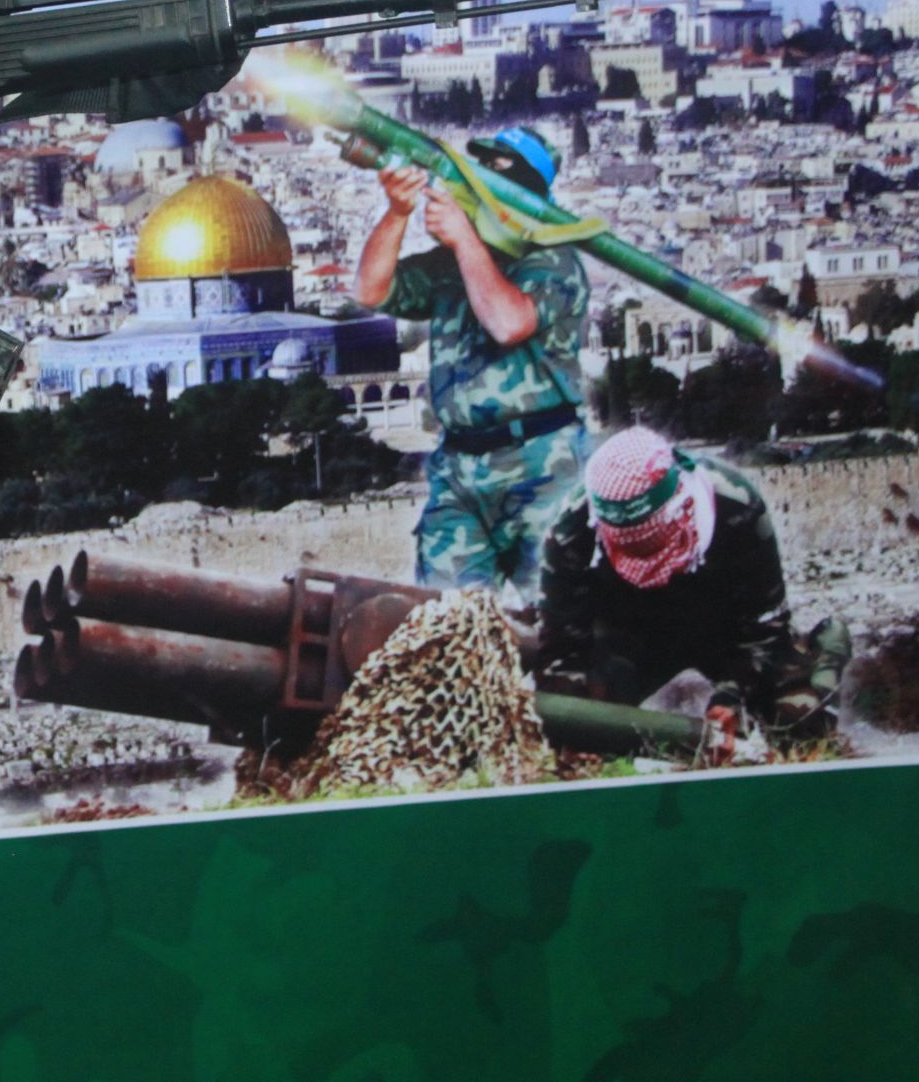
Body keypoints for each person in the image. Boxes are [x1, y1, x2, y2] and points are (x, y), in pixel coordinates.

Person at [352, 124, 590, 595]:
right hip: (459, 468)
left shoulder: (554, 261)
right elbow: (370, 290)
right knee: (446, 618)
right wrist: (398, 212)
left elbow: (509, 322)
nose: (483, 179)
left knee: (557, 616)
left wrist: (464, 240)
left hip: (542, 465)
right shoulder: (450, 265)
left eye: (499, 169)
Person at [537, 427, 846, 740]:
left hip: (725, 636)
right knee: (577, 729)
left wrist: (730, 697)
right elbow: (562, 647)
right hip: (630, 640)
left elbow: (764, 635)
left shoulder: (738, 507)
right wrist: (578, 725)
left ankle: (827, 647)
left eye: (651, 544)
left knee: (798, 720)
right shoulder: (570, 531)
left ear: (681, 505)